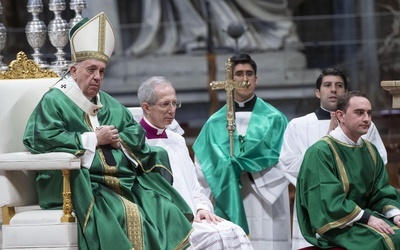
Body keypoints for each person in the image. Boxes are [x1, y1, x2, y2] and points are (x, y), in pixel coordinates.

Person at [22, 12, 194, 250]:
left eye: (102, 71)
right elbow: (40, 138)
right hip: (80, 184)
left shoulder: (108, 102)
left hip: (118, 180)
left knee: (164, 208)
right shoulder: (54, 101)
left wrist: (119, 140)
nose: (97, 77)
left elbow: (134, 133)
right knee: (123, 213)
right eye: (91, 69)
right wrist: (94, 138)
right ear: (73, 70)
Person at [136, 76, 254, 250]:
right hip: (162, 220)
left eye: (175, 103)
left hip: (193, 216)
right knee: (214, 237)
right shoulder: (136, 143)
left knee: (233, 231)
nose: (172, 110)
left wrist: (201, 208)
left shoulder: (177, 140)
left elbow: (193, 186)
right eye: (165, 104)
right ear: (146, 107)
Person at [279, 68, 387, 250]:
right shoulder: (298, 125)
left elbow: (377, 161)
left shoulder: (366, 123)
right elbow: (288, 163)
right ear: (317, 92)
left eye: (339, 86)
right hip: (317, 202)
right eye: (327, 85)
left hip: (357, 206)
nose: (334, 90)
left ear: (346, 92)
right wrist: (324, 173)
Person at [192, 53, 291, 249]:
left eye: (249, 73)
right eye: (238, 74)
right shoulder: (214, 124)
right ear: (230, 79)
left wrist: (252, 170)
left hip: (266, 199)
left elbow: (288, 160)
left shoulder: (275, 119)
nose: (244, 79)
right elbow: (201, 166)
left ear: (256, 79)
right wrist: (223, 176)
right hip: (227, 195)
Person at [296, 90, 400, 249]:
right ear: (340, 115)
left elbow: (381, 191)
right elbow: (327, 199)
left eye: (369, 113)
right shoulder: (321, 151)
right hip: (337, 224)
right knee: (388, 241)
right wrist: (368, 218)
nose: (367, 119)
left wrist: (395, 214)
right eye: (359, 113)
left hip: (365, 217)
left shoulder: (370, 150)